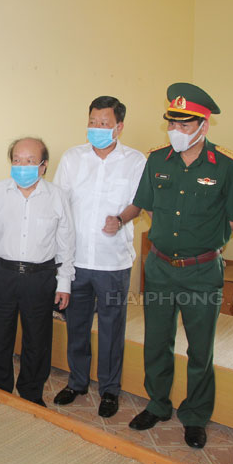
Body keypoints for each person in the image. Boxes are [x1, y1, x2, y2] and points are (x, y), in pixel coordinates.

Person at [128, 83, 233, 448]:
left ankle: (195, 415)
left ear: (203, 126)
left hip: (202, 270)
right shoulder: (156, 160)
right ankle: (157, 403)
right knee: (156, 341)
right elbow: (150, 208)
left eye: (185, 125)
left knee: (200, 348)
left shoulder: (228, 165)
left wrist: (202, 241)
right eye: (172, 123)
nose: (176, 131)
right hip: (160, 266)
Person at [52, 96, 146, 417]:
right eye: (93, 122)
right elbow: (59, 202)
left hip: (113, 261)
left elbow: (139, 203)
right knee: (76, 324)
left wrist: (120, 219)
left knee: (111, 328)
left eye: (104, 123)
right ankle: (77, 382)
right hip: (76, 260)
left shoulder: (135, 161)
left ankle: (109, 389)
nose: (97, 128)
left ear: (119, 127)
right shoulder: (72, 158)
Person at [0, 137, 75, 406]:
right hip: (1, 274)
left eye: (30, 161)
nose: (22, 166)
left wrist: (64, 282)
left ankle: (31, 394)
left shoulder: (57, 196)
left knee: (38, 341)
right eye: (17, 160)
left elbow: (66, 241)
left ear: (43, 165)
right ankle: (0, 393)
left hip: (41, 277)